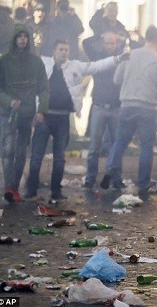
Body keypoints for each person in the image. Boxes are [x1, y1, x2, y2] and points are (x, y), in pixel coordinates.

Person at [24, 40, 125, 200]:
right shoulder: (43, 63)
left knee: (59, 158)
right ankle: (31, 190)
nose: (64, 52)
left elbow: (97, 66)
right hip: (44, 116)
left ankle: (56, 191)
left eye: (66, 50)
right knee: (37, 156)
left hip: (63, 118)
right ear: (54, 51)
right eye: (61, 49)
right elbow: (26, 59)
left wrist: (117, 59)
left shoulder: (75, 66)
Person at [102, 26, 157, 198]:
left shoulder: (129, 55)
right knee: (146, 146)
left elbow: (116, 79)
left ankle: (111, 168)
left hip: (126, 105)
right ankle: (142, 184)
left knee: (120, 141)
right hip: (147, 108)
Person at [0, 24, 49, 203]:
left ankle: (15, 187)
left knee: (21, 152)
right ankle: (9, 186)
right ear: (14, 39)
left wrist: (41, 110)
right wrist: (9, 101)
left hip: (27, 114)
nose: (23, 39)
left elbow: (43, 89)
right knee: (8, 149)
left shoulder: (36, 62)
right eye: (19, 36)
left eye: (25, 36)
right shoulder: (3, 62)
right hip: (8, 113)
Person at [82, 31, 125, 190]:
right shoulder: (97, 57)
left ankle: (116, 178)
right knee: (94, 147)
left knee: (116, 145)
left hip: (116, 108)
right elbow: (86, 43)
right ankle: (90, 179)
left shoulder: (121, 57)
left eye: (112, 43)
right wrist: (100, 36)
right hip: (99, 106)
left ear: (116, 44)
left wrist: (122, 38)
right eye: (107, 43)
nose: (109, 46)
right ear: (103, 44)